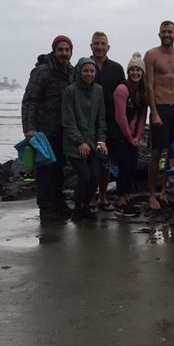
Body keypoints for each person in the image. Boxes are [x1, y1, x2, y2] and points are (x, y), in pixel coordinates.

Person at [21, 35, 74, 222]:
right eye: (60, 50)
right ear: (54, 51)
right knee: (45, 170)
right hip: (43, 131)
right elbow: (29, 101)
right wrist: (29, 129)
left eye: (67, 50)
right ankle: (46, 208)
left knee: (59, 167)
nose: (64, 53)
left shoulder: (71, 72)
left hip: (63, 130)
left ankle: (58, 203)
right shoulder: (42, 71)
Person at [144, 20, 174, 211]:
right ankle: (151, 194)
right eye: (164, 32)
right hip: (161, 107)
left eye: (170, 32)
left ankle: (165, 190)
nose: (167, 35)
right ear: (159, 34)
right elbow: (149, 85)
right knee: (156, 152)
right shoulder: (151, 55)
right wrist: (154, 112)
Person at [61, 57, 107, 221]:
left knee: (95, 176)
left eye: (92, 71)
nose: (89, 74)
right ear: (79, 72)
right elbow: (68, 121)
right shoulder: (70, 91)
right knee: (85, 176)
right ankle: (78, 208)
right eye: (85, 70)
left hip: (93, 142)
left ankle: (86, 206)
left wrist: (101, 140)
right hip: (74, 144)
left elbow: (101, 118)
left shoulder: (99, 90)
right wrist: (80, 142)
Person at [90, 31, 127, 211]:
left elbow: (125, 95)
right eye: (96, 43)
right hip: (89, 122)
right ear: (91, 46)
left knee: (106, 162)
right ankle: (90, 197)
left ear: (108, 47)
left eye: (102, 44)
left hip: (112, 121)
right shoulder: (84, 66)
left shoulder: (116, 68)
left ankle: (103, 198)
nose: (99, 47)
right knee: (91, 161)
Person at [110, 52, 148, 215]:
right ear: (128, 71)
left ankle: (126, 195)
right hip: (119, 135)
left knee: (132, 166)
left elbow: (142, 116)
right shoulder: (122, 89)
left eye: (138, 70)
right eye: (132, 70)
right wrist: (129, 137)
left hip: (133, 136)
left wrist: (138, 136)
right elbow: (120, 117)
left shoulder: (142, 92)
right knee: (124, 165)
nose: (135, 73)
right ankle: (120, 197)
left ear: (142, 73)